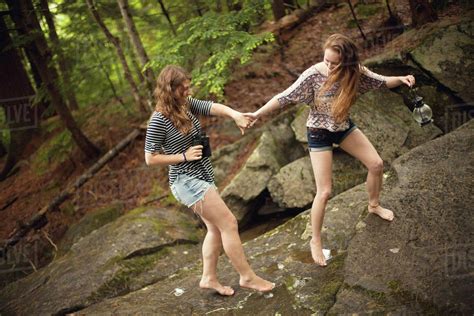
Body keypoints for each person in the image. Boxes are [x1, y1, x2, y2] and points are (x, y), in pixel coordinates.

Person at [244, 33, 415, 266]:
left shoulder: (357, 73)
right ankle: (315, 240)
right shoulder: (314, 74)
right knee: (324, 192)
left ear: (346, 61)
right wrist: (257, 114)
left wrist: (402, 78)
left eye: (334, 63)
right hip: (318, 132)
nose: (329, 66)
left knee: (376, 165)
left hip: (343, 128)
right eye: (327, 60)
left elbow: (382, 81)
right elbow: (285, 97)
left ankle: (374, 205)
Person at [144, 65, 275, 295]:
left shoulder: (186, 104)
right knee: (229, 223)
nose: (187, 91)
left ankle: (208, 278)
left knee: (214, 229)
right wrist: (183, 156)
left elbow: (212, 107)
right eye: (182, 89)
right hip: (186, 180)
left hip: (202, 175)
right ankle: (247, 277)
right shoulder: (159, 119)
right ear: (169, 89)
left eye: (188, 86)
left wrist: (235, 115)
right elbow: (150, 158)